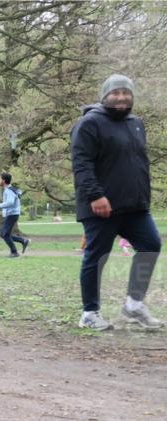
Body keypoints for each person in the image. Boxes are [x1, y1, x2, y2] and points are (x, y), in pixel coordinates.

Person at [71, 74, 161, 330]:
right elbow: (81, 163)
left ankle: (134, 305)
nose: (121, 98)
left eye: (126, 93)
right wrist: (95, 195)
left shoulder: (136, 123)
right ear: (105, 95)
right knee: (97, 256)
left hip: (134, 205)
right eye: (116, 93)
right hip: (101, 205)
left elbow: (136, 163)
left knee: (151, 245)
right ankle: (89, 313)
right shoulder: (89, 123)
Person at [0, 172, 30, 258]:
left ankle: (14, 252)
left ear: (4, 180)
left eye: (0, 179)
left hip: (12, 214)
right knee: (4, 234)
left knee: (4, 234)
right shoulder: (10, 189)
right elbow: (11, 203)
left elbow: (10, 202)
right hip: (12, 214)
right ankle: (23, 241)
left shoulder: (8, 190)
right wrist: (3, 210)